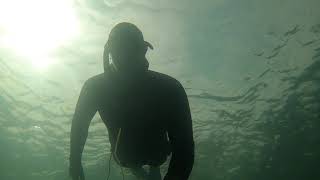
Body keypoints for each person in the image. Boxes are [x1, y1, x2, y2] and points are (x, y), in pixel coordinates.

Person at [69, 22, 194, 180]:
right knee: (134, 162)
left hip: (146, 155)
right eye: (121, 50)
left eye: (131, 49)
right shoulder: (170, 87)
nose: (126, 56)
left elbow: (184, 149)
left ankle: (152, 170)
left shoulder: (170, 88)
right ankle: (147, 172)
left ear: (143, 51)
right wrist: (74, 162)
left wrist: (74, 162)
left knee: (144, 161)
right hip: (131, 157)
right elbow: (79, 125)